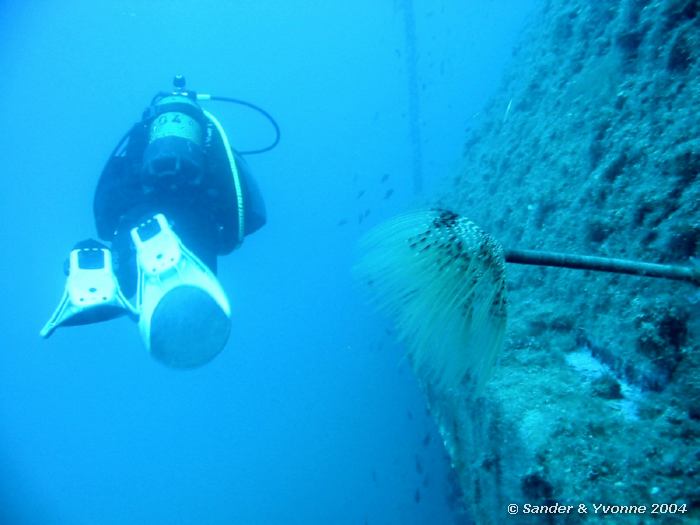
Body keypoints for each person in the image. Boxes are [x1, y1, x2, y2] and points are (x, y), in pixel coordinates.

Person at [41, 76, 269, 368]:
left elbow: (106, 204)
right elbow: (249, 213)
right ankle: (156, 258)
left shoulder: (137, 142)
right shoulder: (213, 143)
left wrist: (112, 231)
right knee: (180, 277)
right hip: (196, 223)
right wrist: (225, 235)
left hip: (135, 219)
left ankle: (98, 272)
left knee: (130, 275)